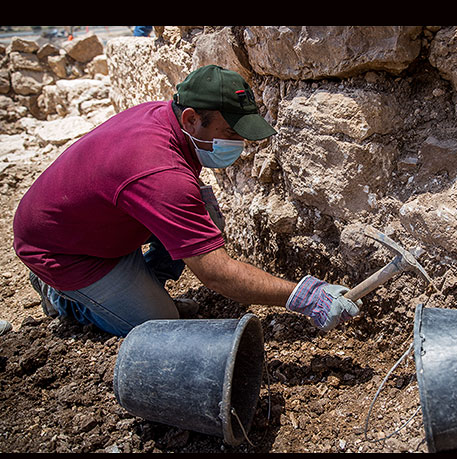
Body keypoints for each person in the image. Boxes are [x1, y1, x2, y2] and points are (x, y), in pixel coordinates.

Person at [13, 65, 361, 337]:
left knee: (204, 208)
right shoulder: (158, 173)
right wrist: (302, 295)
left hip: (98, 221)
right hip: (66, 251)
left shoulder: (165, 119)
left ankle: (146, 282)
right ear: (191, 119)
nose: (240, 144)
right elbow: (217, 276)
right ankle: (63, 297)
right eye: (230, 133)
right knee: (163, 323)